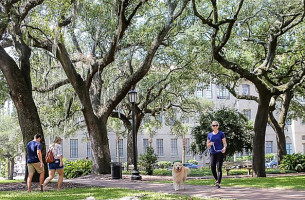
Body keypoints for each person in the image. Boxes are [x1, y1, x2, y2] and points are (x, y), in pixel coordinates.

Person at [207, 121, 227, 189]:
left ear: (218, 126)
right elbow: (207, 145)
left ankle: (218, 183)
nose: (215, 126)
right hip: (212, 152)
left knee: (219, 168)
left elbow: (224, 143)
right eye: (213, 125)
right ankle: (217, 180)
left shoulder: (221, 133)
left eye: (216, 125)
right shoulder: (209, 135)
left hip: (219, 152)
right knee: (212, 168)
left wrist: (224, 148)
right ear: (212, 126)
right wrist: (210, 144)